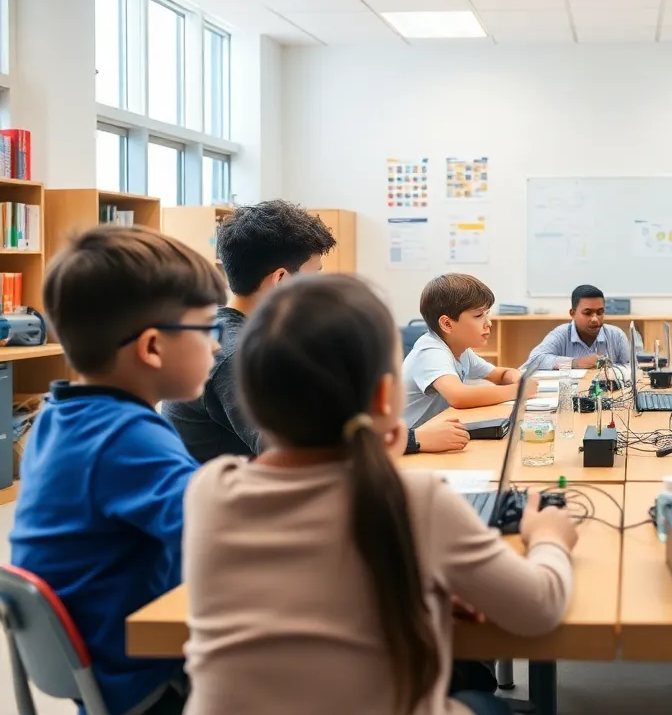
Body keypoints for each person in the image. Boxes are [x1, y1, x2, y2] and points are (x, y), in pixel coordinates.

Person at [182, 274, 579, 715]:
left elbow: (311, 587)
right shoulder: (417, 498)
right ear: (386, 396)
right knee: (487, 705)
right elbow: (539, 608)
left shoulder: (209, 492)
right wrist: (549, 536)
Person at [10, 226, 229, 715]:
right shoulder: (125, 436)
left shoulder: (62, 415)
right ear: (152, 347)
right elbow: (219, 532)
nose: (216, 347)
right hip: (149, 685)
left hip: (102, 677)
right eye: (207, 329)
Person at [163, 200, 335, 462]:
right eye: (314, 276)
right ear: (280, 279)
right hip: (220, 488)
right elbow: (292, 453)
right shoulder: (235, 353)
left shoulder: (232, 331)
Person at [404, 273, 537, 429]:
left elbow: (500, 375)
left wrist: (518, 379)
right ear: (447, 324)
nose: (489, 323)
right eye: (479, 315)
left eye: (487, 314)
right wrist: (519, 390)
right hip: (408, 439)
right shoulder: (430, 352)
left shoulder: (461, 351)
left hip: (436, 431)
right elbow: (459, 397)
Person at [523, 284, 630, 370]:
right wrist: (575, 362)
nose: (595, 319)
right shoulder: (561, 334)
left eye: (600, 312)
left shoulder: (616, 336)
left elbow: (630, 369)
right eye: (587, 313)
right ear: (572, 313)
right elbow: (534, 360)